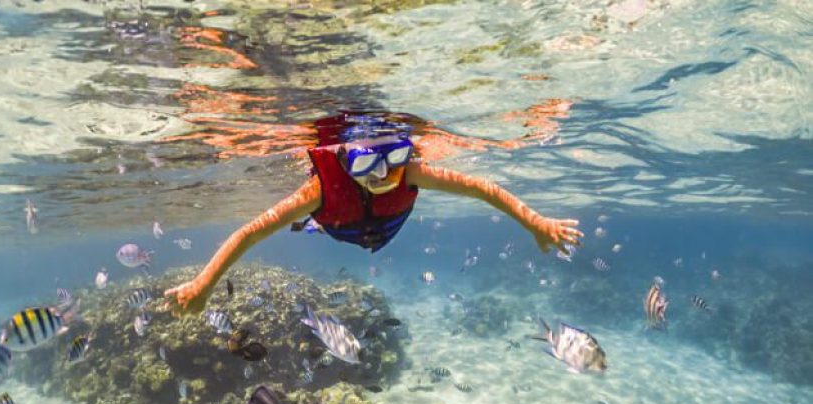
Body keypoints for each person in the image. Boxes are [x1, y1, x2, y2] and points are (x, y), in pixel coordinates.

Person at [165, 113, 583, 313]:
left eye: (395, 157)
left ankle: (315, 224)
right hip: (338, 226)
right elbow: (250, 233)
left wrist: (536, 222)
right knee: (311, 221)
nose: (383, 175)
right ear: (344, 162)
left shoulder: (413, 171)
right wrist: (204, 283)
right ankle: (311, 226)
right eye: (366, 164)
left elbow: (481, 189)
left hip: (389, 227)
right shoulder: (317, 189)